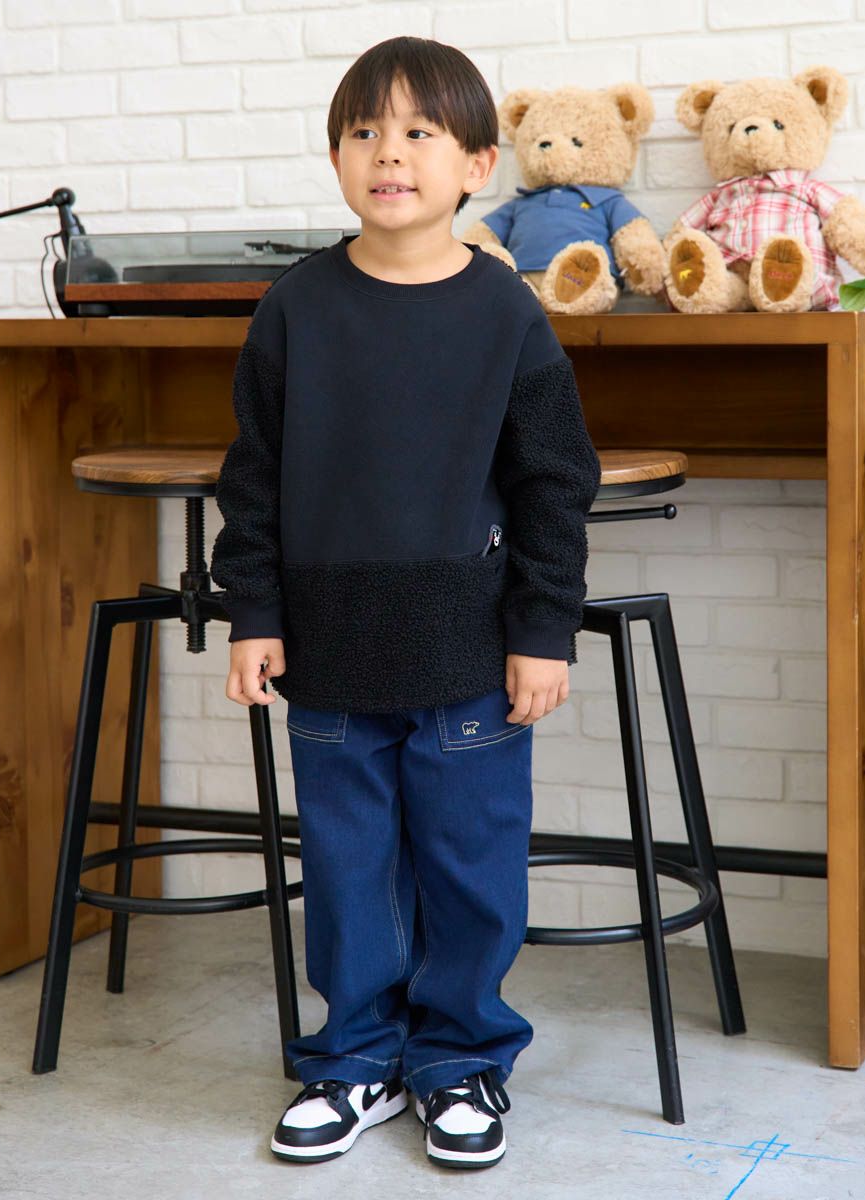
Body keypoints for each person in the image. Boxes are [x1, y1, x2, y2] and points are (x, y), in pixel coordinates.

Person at [210, 35, 602, 1171]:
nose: (390, 153)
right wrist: (253, 612)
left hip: (469, 655)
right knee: (348, 872)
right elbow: (253, 477)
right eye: (364, 131)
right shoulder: (294, 308)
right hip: (329, 655)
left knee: (471, 866)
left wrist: (542, 631)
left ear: (477, 164)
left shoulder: (506, 313)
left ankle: (461, 1058)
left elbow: (553, 482)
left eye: (420, 132)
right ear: (336, 156)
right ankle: (355, 1060)